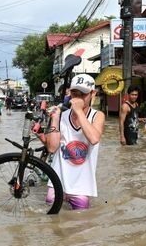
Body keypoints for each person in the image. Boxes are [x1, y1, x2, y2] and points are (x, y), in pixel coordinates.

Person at [44, 74, 105, 210]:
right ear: (69, 93)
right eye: (74, 93)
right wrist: (55, 118)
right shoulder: (62, 116)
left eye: (82, 94)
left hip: (81, 184)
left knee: (80, 220)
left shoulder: (98, 116)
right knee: (51, 215)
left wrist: (78, 111)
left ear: (92, 94)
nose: (77, 98)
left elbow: (94, 138)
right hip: (58, 179)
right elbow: (52, 148)